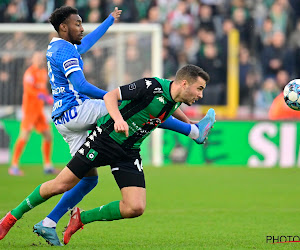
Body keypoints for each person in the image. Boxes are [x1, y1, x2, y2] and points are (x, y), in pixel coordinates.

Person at [7, 6, 213, 246]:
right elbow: (82, 85)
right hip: (76, 112)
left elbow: (87, 43)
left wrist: (108, 22)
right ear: (64, 27)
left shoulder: (60, 46)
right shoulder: (66, 51)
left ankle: (43, 221)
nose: (82, 28)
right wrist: (114, 99)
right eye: (77, 24)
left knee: (87, 181)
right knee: (137, 105)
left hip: (68, 120)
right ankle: (194, 131)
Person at [9, 51, 59, 176]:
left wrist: (48, 97)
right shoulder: (29, 73)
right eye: (37, 58)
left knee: (48, 135)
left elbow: (42, 89)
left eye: (41, 58)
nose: (39, 60)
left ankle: (47, 165)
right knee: (24, 136)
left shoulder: (43, 73)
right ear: (32, 59)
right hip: (30, 110)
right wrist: (43, 96)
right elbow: (29, 90)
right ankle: (14, 166)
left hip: (39, 111)